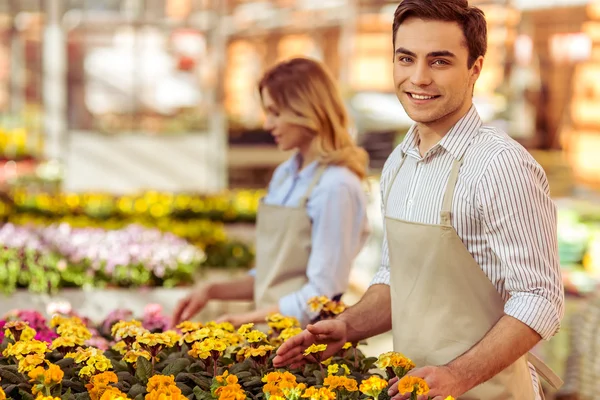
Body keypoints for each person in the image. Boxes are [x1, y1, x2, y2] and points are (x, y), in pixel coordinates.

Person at [273, 1, 565, 399]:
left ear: (475, 69)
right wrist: (348, 326)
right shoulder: (399, 162)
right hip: (412, 390)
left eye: (439, 61)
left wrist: (459, 376)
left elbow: (541, 299)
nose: (418, 77)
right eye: (406, 58)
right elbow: (397, 278)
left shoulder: (501, 165)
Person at [172, 57, 370, 328]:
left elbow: (322, 294)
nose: (267, 125)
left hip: (305, 344)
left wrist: (244, 319)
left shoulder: (337, 186)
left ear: (308, 110)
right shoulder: (284, 176)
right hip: (267, 336)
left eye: (276, 113)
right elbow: (271, 275)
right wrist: (211, 291)